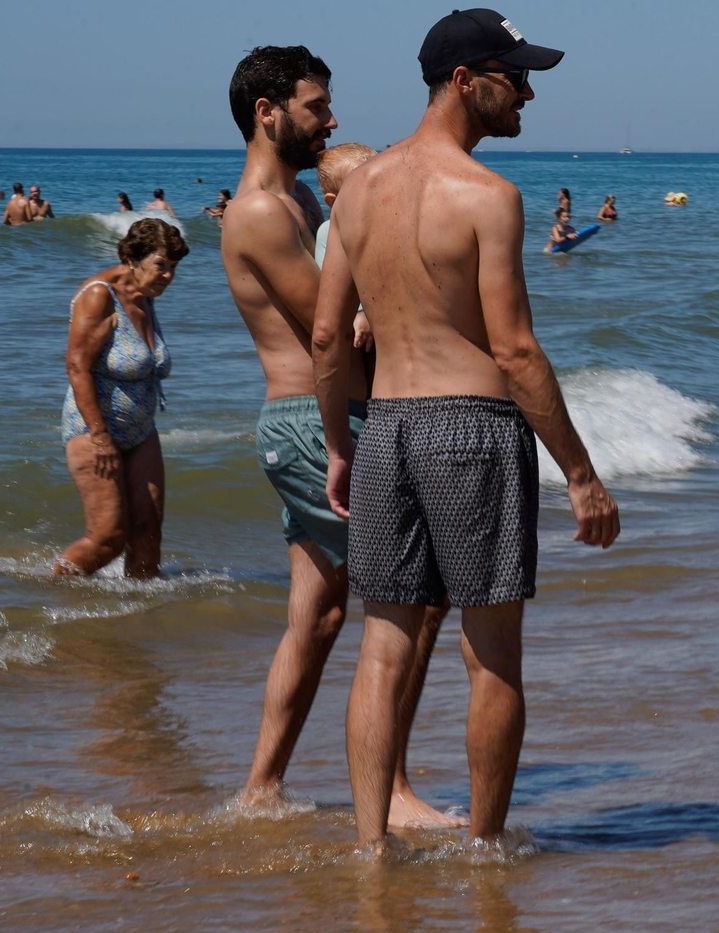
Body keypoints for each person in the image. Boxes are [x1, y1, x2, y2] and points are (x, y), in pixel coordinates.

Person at [315, 9, 619, 847]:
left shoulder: (359, 190)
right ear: (463, 81)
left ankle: (371, 850)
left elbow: (326, 335)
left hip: (386, 428)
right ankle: (485, 852)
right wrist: (582, 476)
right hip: (472, 429)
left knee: (382, 648)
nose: (527, 92)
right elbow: (516, 351)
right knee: (492, 657)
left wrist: (341, 444)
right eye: (514, 76)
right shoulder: (489, 197)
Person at [219, 46, 456, 827]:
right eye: (317, 106)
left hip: (309, 425)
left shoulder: (300, 204)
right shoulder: (261, 211)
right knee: (411, 602)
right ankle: (390, 792)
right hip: (317, 424)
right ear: (268, 113)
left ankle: (262, 787)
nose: (332, 119)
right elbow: (332, 330)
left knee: (319, 614)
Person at [56, 218, 186, 578]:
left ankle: (139, 623)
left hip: (142, 431)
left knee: (148, 533)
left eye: (174, 268)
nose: (168, 276)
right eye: (161, 266)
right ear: (132, 258)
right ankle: (49, 593)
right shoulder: (100, 295)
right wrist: (100, 438)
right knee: (108, 539)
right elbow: (76, 366)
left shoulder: (145, 296)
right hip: (93, 429)